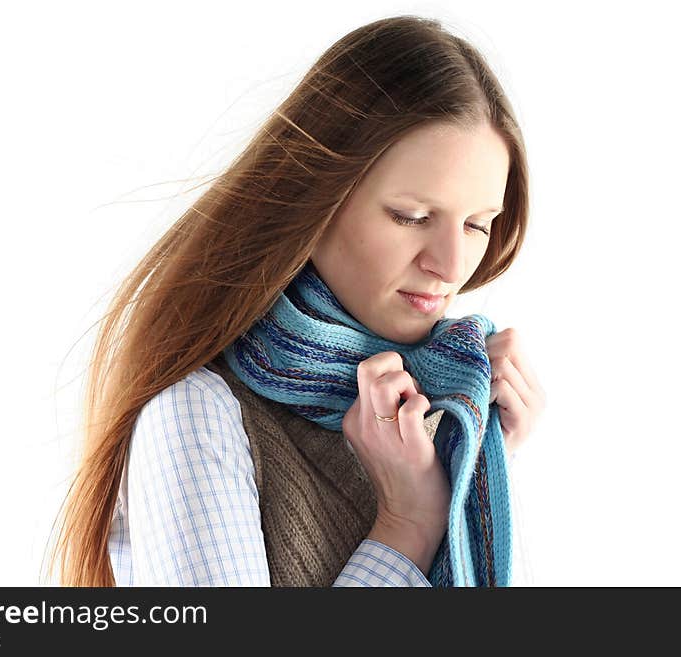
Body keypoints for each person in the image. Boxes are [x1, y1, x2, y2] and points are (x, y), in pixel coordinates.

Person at [46, 14, 546, 587]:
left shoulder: (446, 410)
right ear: (316, 200)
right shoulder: (196, 417)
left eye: (479, 225)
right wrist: (408, 523)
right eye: (411, 217)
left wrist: (476, 459)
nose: (451, 266)